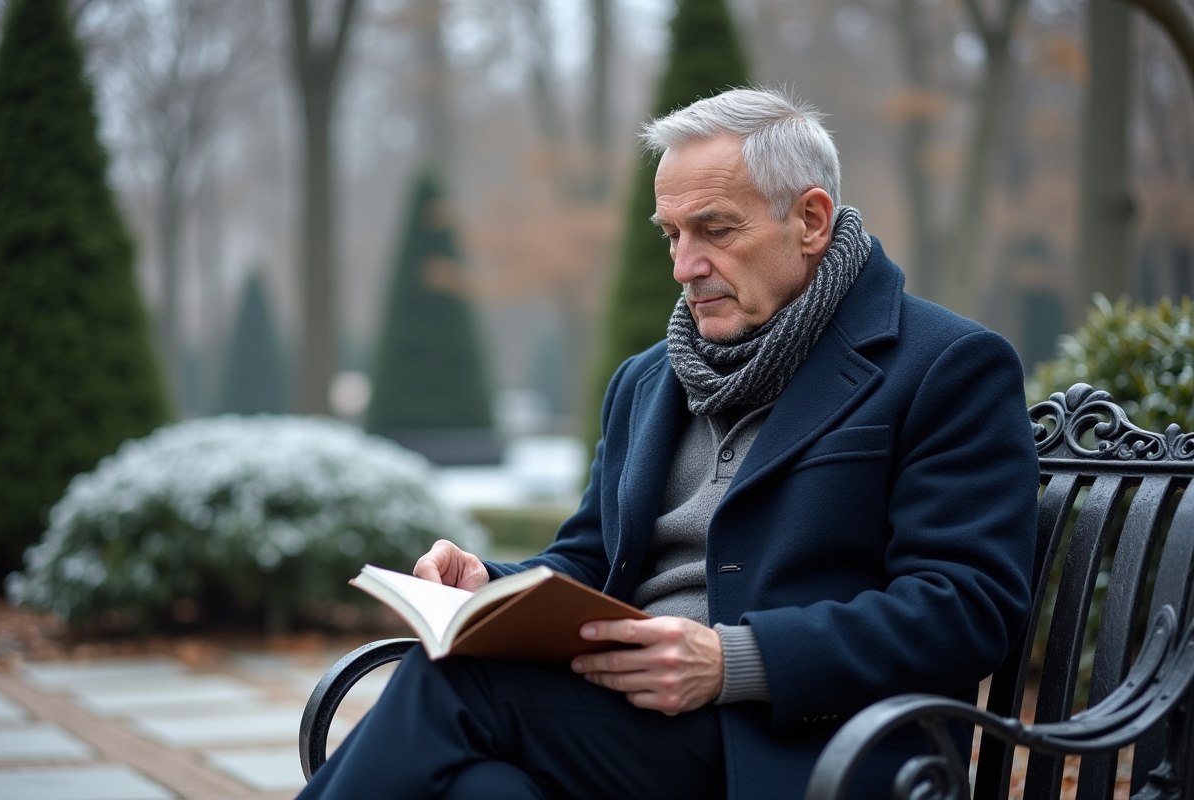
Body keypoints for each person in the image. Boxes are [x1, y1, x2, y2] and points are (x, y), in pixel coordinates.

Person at [297, 87, 1039, 800]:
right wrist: (490, 588)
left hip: (803, 745)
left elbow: (968, 606)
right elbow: (590, 559)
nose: (685, 266)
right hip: (628, 720)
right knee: (477, 788)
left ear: (811, 221)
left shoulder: (944, 365)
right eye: (672, 235)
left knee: (453, 683)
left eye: (715, 230)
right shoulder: (648, 380)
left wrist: (734, 661)